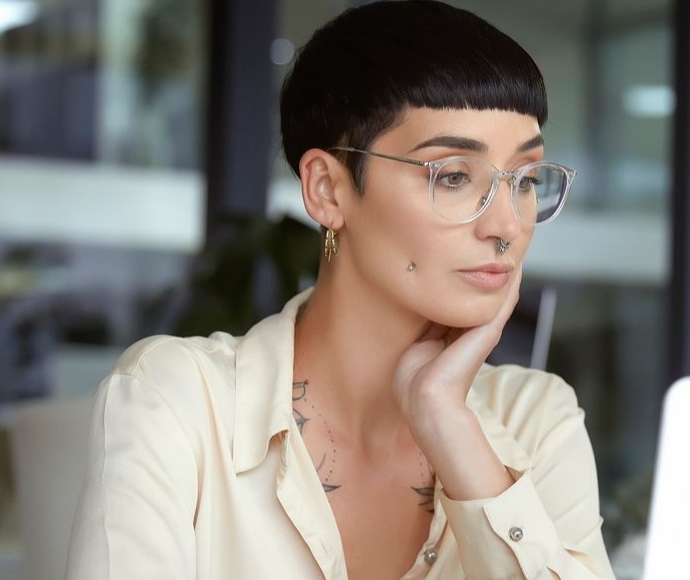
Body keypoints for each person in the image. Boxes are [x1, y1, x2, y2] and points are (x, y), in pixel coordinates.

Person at [66, 2, 614, 578]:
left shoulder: (535, 418)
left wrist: (447, 420)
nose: (505, 225)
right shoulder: (175, 402)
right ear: (327, 189)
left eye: (525, 181)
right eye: (453, 176)